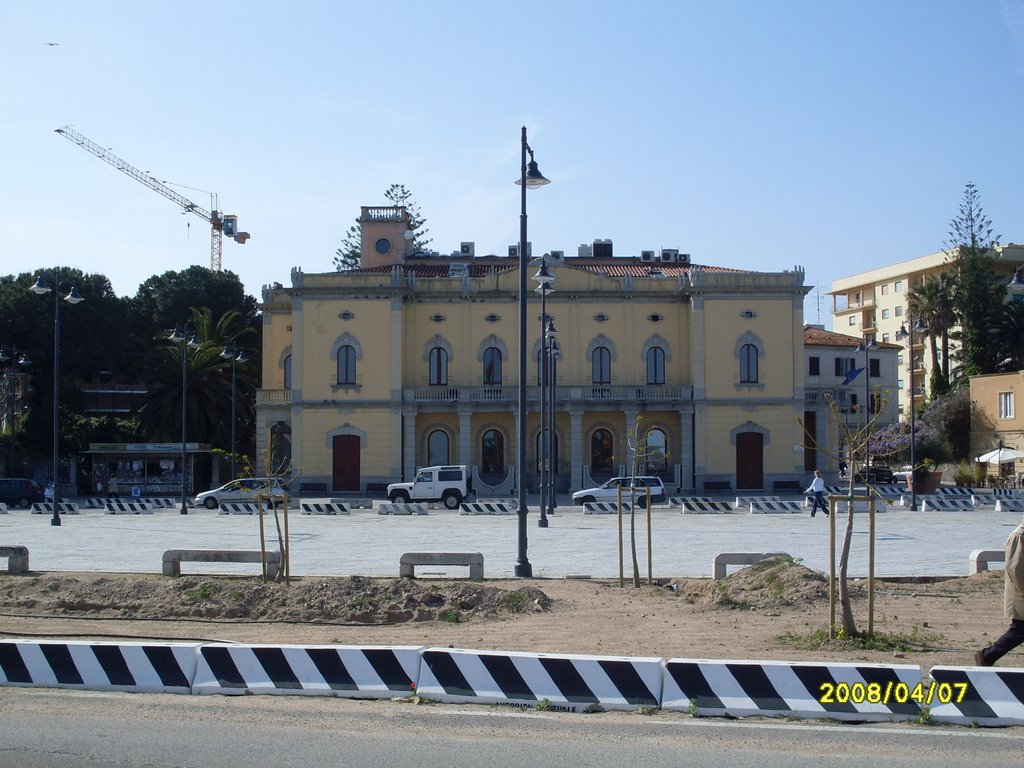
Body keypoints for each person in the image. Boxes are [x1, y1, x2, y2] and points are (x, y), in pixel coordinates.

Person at [974, 516, 1024, 666]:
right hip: (1021, 595)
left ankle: (987, 656)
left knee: (1019, 631)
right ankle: (986, 656)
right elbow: (1015, 569)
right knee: (1019, 631)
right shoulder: (1019, 536)